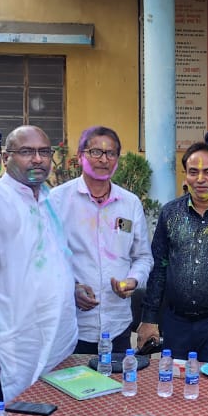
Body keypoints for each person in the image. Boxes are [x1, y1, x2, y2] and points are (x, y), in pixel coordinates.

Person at [0, 125, 77, 414]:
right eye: (27, 152)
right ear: (6, 157)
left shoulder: (50, 199)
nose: (37, 159)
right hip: (14, 348)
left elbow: (53, 259)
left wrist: (73, 286)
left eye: (44, 152)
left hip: (59, 341)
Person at [140, 143, 208, 361]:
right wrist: (149, 318)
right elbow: (159, 267)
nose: (200, 179)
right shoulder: (170, 212)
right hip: (176, 325)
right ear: (185, 175)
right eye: (193, 172)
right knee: (176, 380)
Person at [50, 126, 151, 355]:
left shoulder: (129, 203)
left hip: (118, 326)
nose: (104, 160)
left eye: (111, 153)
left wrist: (133, 280)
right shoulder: (57, 200)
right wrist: (72, 288)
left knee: (118, 378)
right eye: (95, 152)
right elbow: (46, 260)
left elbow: (143, 256)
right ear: (80, 156)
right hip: (72, 327)